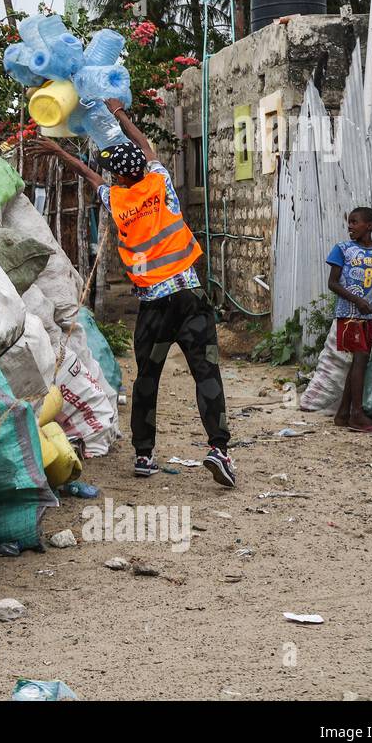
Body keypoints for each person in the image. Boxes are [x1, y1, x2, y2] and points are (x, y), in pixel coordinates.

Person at [38, 99, 234, 488]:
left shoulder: (118, 200)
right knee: (206, 373)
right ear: (141, 169)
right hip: (190, 297)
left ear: (118, 176)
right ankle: (219, 450)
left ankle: (144, 456)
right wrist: (121, 115)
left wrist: (59, 151)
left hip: (155, 308)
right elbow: (148, 148)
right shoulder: (160, 183)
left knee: (148, 378)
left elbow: (89, 175)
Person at [325, 208, 372, 432]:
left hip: (367, 315)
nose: (350, 226)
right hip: (349, 314)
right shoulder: (343, 249)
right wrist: (357, 300)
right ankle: (357, 414)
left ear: (369, 226)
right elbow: (333, 283)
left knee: (358, 362)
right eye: (349, 222)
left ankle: (343, 413)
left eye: (355, 222)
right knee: (361, 359)